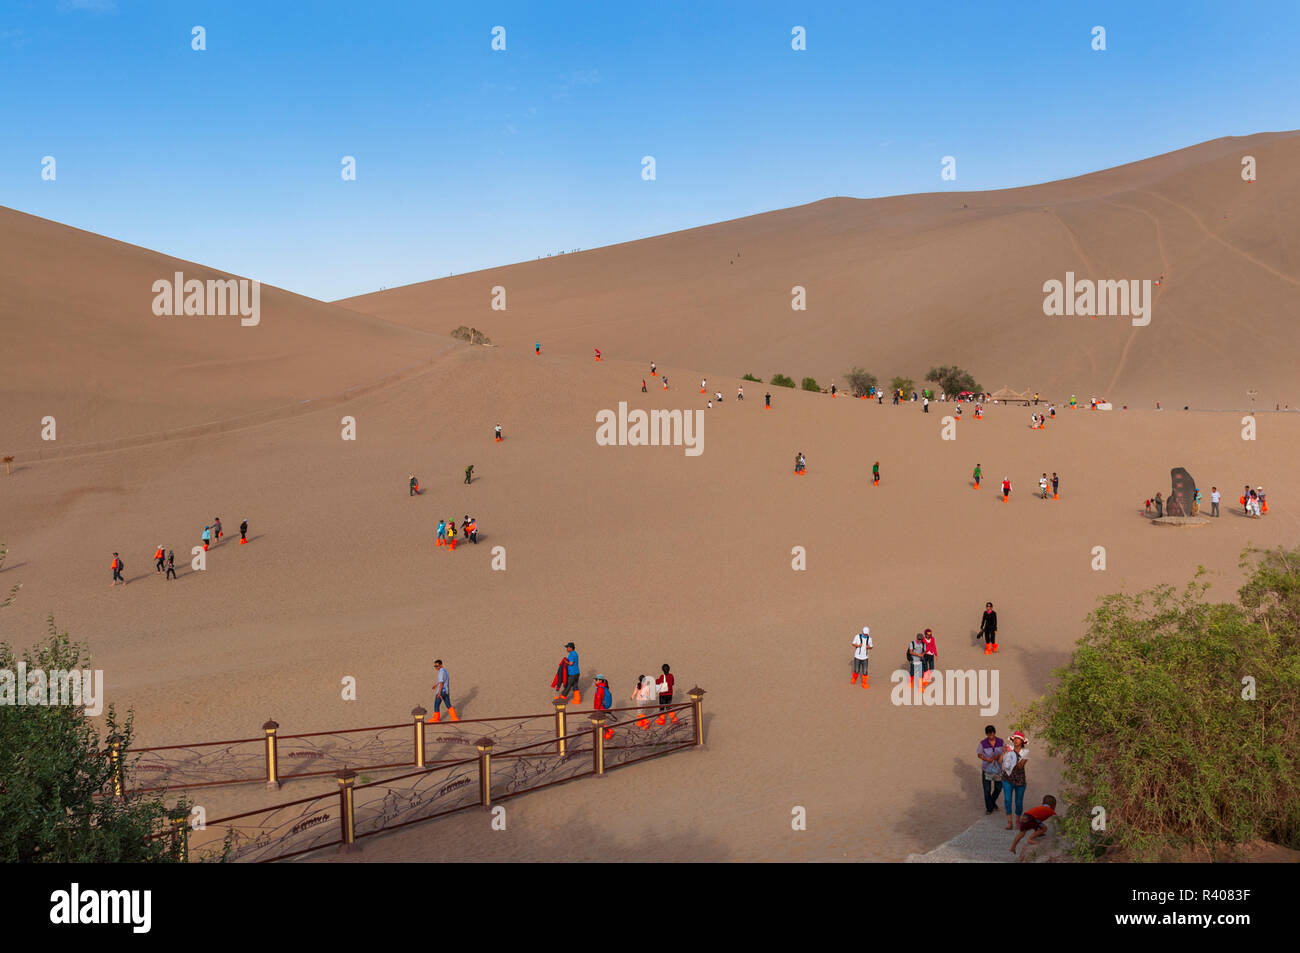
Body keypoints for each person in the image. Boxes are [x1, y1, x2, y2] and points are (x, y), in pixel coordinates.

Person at [1001, 730, 1029, 829]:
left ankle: (1017, 820)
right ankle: (1009, 822)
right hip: (1007, 777)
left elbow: (1021, 766)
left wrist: (1012, 754)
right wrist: (1004, 752)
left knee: (1018, 801)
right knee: (1008, 800)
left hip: (1020, 779)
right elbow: (1001, 761)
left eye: (1019, 739)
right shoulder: (1008, 749)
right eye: (1015, 738)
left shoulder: (1025, 752)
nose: (1016, 740)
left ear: (1022, 741)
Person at [978, 726, 1005, 814]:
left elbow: (1005, 752)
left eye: (992, 734)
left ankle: (992, 802)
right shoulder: (983, 743)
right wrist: (986, 759)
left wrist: (999, 756)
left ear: (994, 733)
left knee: (999, 788)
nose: (991, 737)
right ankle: (989, 809)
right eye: (989, 735)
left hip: (998, 769)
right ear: (986, 734)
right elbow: (979, 754)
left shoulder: (1001, 741)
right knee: (987, 790)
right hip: (987, 769)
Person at [592, 675, 614, 739]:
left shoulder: (600, 688)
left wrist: (597, 709)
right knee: (600, 722)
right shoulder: (603, 687)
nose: (595, 681)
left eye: (596, 679)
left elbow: (599, 698)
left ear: (600, 680)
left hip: (600, 708)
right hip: (602, 707)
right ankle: (607, 732)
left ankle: (608, 732)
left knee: (599, 722)